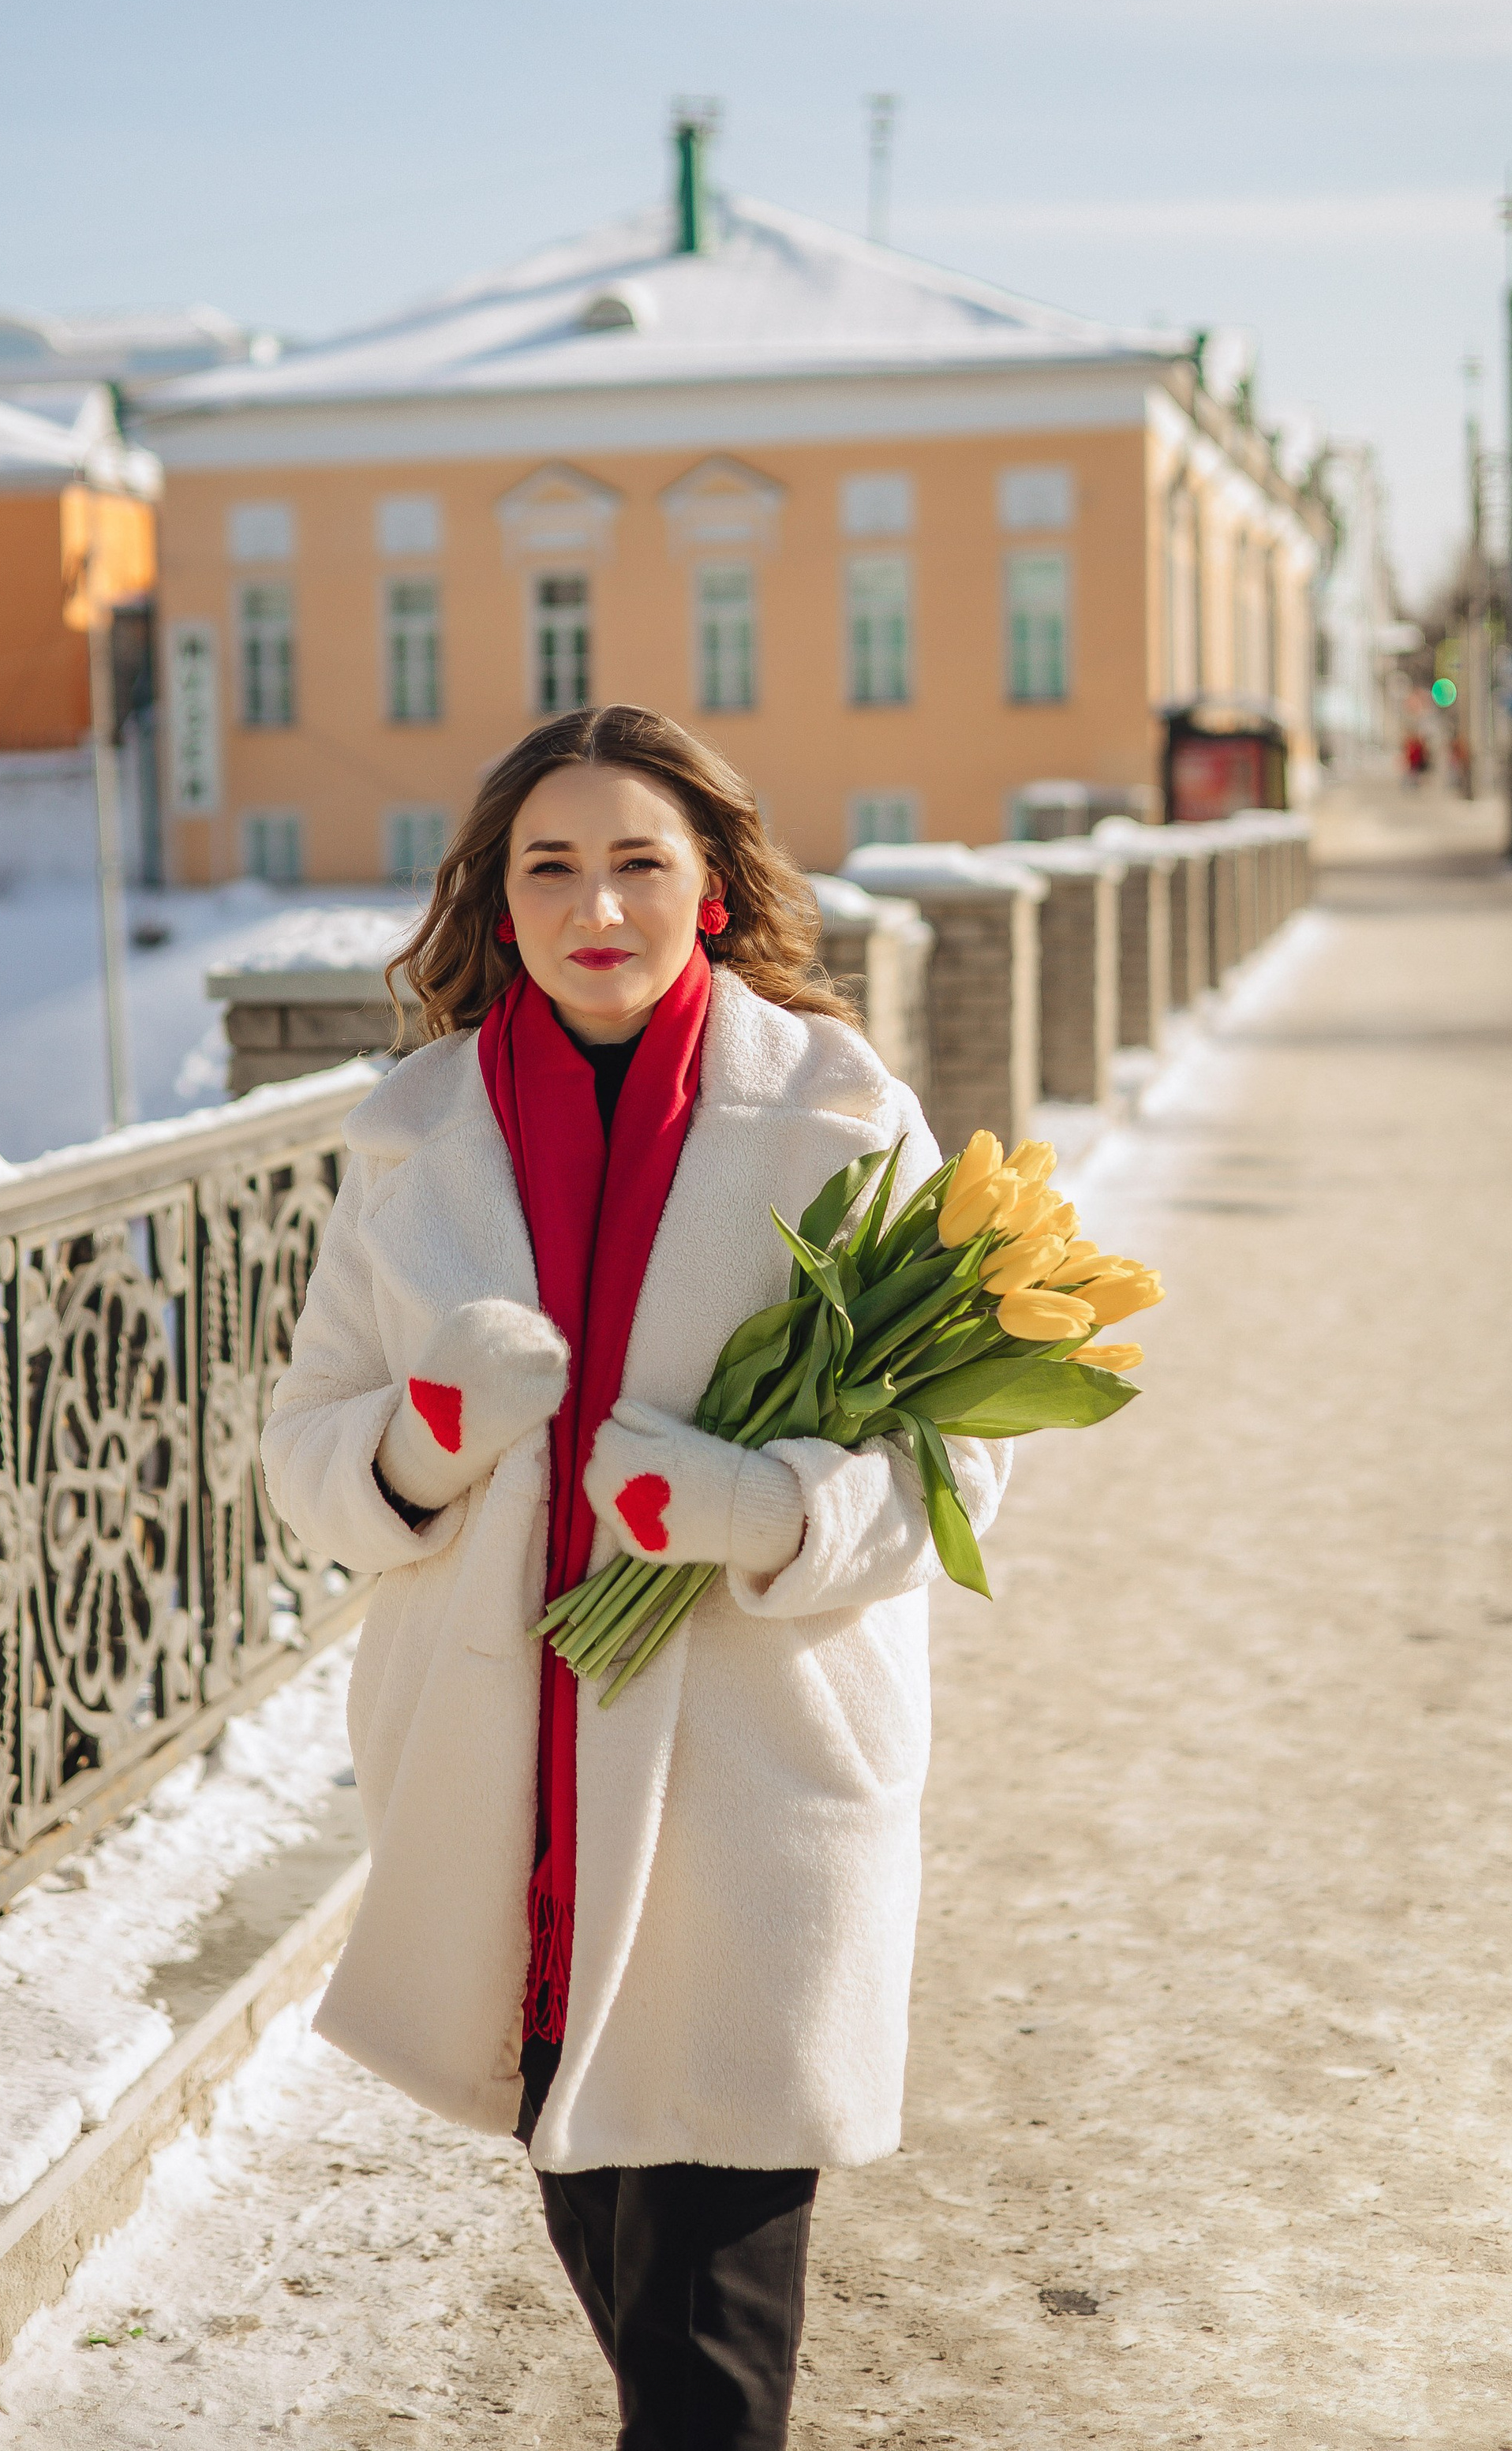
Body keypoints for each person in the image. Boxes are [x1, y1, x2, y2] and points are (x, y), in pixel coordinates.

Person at [260, 705, 1012, 2450]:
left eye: (637, 863)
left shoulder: (833, 1114)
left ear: (714, 887)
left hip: (744, 1797)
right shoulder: (411, 1134)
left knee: (702, 2364)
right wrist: (427, 1431)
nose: (596, 903)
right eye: (552, 865)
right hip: (507, 1807)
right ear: (496, 898)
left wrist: (754, 1510)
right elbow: (303, 1445)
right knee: (615, 2267)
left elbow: (960, 1463)